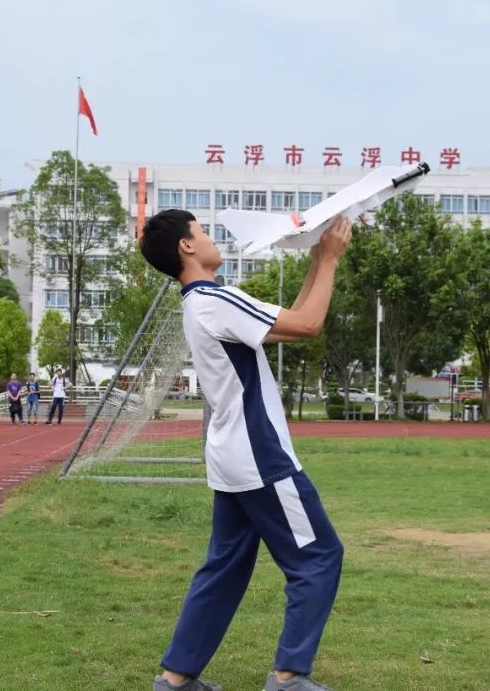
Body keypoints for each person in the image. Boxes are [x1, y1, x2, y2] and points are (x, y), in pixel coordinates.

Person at [139, 210, 350, 691]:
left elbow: (291, 324)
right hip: (260, 456)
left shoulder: (202, 303)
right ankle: (289, 676)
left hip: (231, 455)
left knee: (224, 569)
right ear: (187, 247)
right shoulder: (216, 299)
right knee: (318, 557)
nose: (212, 239)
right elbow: (311, 324)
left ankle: (174, 679)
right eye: (203, 231)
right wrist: (333, 259)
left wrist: (319, 258)